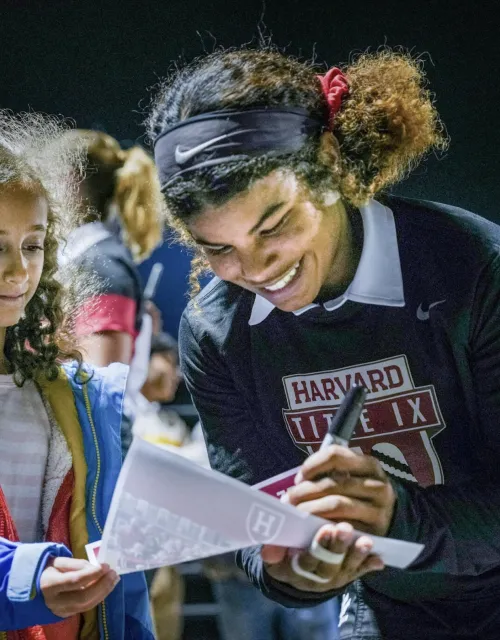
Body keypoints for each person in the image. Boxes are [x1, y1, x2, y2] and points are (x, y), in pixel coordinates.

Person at [146, 46, 500, 640]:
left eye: (274, 225)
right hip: (385, 613)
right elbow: (252, 523)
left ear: (330, 165)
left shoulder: (473, 269)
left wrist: (396, 517)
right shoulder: (215, 331)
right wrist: (297, 572)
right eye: (218, 248)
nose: (257, 269)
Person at [0, 111, 154, 638]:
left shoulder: (81, 401)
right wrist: (21, 580)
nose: (18, 271)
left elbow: (120, 578)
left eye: (33, 244)